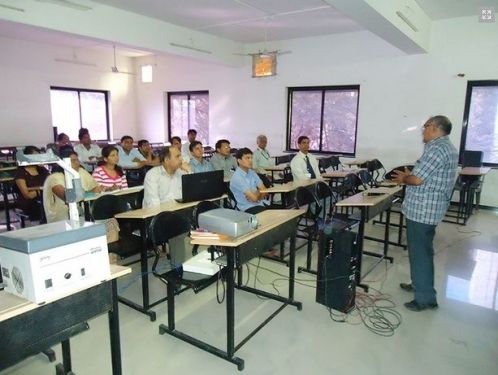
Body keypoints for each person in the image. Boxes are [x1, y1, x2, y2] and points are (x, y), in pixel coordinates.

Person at [392, 115, 458, 312]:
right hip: (429, 209)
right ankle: (421, 285)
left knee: (420, 253)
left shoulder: (437, 149)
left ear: (436, 128)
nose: (423, 130)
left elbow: (418, 180)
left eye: (426, 126)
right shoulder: (446, 148)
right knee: (423, 252)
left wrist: (405, 178)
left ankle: (424, 299)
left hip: (423, 211)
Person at [43, 147, 103, 223]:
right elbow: (68, 197)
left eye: (77, 160)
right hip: (61, 220)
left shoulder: (81, 172)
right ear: (64, 162)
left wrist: (99, 190)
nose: (77, 163)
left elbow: (95, 188)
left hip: (83, 215)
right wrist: (89, 193)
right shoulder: (54, 178)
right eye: (73, 161)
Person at [230, 148, 270, 214]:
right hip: (247, 208)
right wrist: (259, 193)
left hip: (260, 203)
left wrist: (257, 193)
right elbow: (254, 198)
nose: (251, 160)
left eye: (251, 158)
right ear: (239, 160)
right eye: (247, 158)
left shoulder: (252, 172)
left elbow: (264, 190)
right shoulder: (237, 177)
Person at [14, 146, 49, 221]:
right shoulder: (21, 172)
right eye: (35, 156)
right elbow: (27, 195)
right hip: (29, 202)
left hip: (43, 197)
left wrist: (39, 191)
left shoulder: (42, 169)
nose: (37, 159)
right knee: (41, 206)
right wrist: (42, 190)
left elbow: (51, 182)